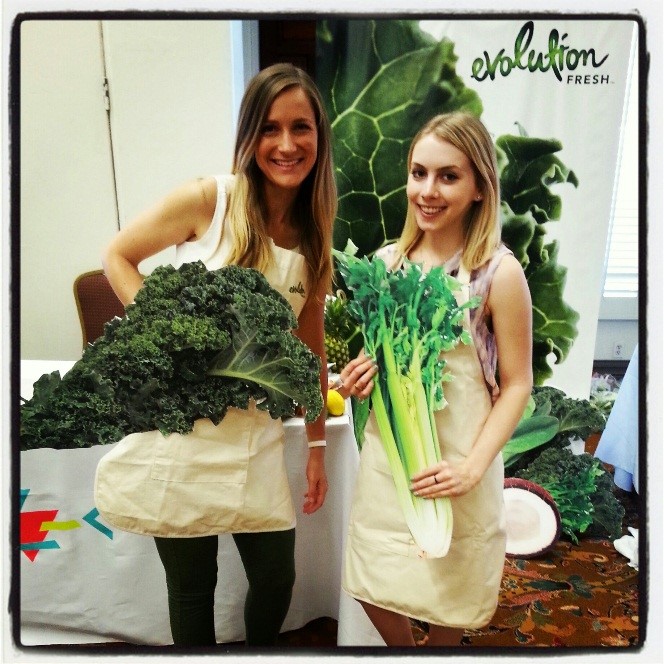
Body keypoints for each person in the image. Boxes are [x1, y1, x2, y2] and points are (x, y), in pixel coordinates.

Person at [101, 63, 336, 647]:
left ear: (318, 137)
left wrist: (315, 445)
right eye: (270, 128)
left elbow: (309, 348)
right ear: (250, 134)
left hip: (253, 436)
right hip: (179, 435)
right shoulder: (210, 199)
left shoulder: (313, 232)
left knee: (277, 577)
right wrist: (170, 328)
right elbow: (118, 257)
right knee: (190, 590)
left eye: (301, 127)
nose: (286, 144)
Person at [334, 112, 533, 646]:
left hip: (460, 458)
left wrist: (471, 468)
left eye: (448, 176)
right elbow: (379, 353)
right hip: (389, 459)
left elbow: (517, 384)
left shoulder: (499, 273)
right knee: (371, 578)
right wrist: (361, 370)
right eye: (419, 172)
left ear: (478, 188)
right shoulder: (385, 265)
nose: (428, 190)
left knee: (455, 588)